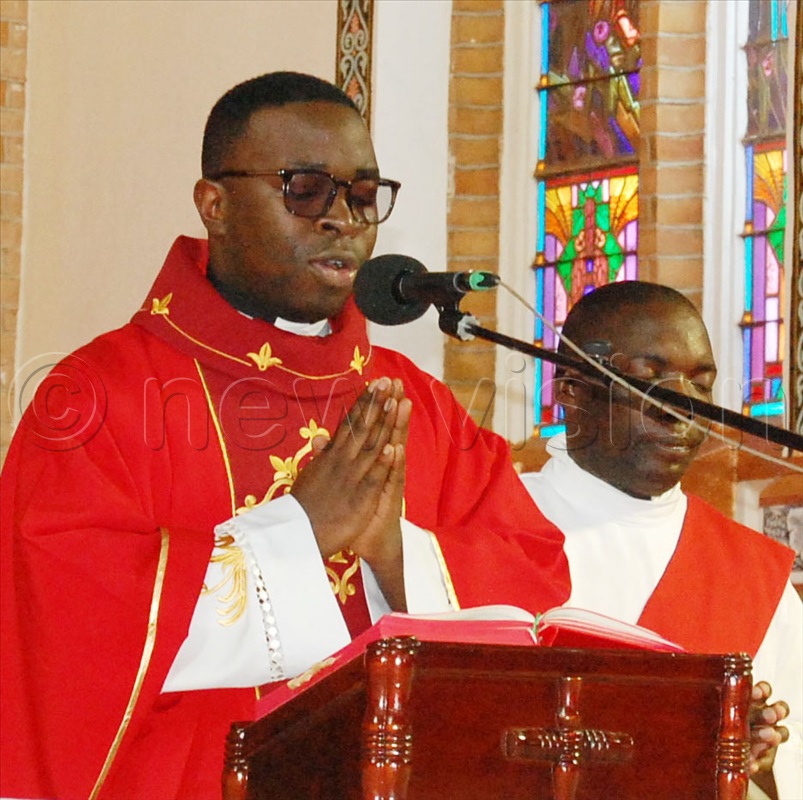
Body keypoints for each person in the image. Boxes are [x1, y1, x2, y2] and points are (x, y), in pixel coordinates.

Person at [0, 72, 570, 799]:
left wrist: (398, 553)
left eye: (362, 194)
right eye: (304, 189)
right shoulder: (99, 394)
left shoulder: (414, 402)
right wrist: (299, 532)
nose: (343, 220)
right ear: (216, 205)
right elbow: (62, 627)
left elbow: (536, 587)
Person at [519, 281, 803, 799]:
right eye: (647, 380)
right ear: (570, 391)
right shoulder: (487, 526)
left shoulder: (758, 580)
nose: (681, 407)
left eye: (701, 383)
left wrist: (754, 769)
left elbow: (785, 779)